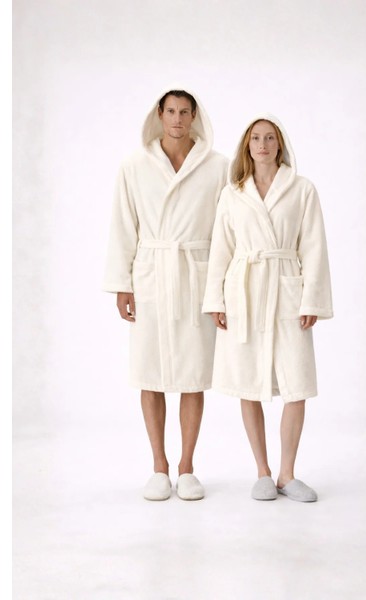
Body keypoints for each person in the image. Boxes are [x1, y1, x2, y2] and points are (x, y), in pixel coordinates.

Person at [103, 87, 228, 501]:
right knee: (150, 373)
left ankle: (187, 467)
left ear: (194, 116)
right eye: (171, 111)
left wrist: (221, 288)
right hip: (151, 276)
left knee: (194, 376)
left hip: (195, 277)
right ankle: (159, 467)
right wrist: (122, 283)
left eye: (184, 112)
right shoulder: (134, 165)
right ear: (159, 114)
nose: (177, 119)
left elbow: (226, 231)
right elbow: (123, 225)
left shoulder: (217, 166)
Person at [202, 115, 333, 502]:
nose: (263, 144)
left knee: (297, 384)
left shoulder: (302, 189)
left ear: (280, 144)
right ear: (247, 144)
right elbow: (221, 249)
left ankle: (287, 474)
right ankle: (262, 471)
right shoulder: (233, 193)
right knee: (248, 381)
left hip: (287, 288)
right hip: (244, 291)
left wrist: (312, 299)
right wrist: (216, 299)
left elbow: (314, 247)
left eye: (270, 138)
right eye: (256, 138)